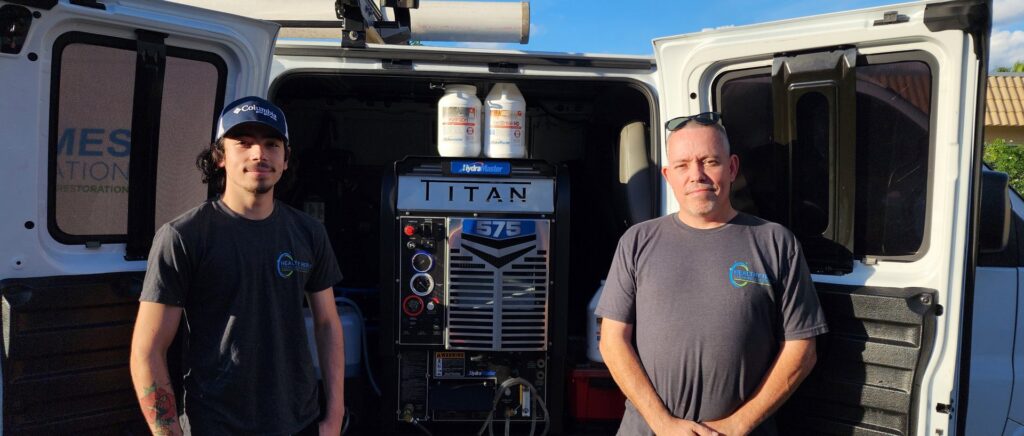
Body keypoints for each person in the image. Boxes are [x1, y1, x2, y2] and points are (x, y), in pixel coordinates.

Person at [597, 112, 828, 436]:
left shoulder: (775, 242)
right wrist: (663, 424)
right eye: (683, 165)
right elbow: (612, 342)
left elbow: (802, 350)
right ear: (668, 175)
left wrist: (737, 426)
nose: (697, 175)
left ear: (732, 168)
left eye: (709, 162)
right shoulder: (637, 241)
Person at [129, 96, 345, 435]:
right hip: (214, 424)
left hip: (298, 422)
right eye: (244, 143)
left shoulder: (308, 233)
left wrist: (333, 418)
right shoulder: (183, 237)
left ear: (286, 159)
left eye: (272, 144)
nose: (259, 154)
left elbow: (328, 325)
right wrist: (167, 431)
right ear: (219, 157)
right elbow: (148, 350)